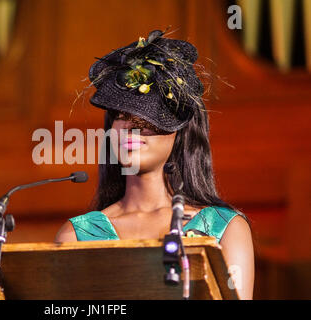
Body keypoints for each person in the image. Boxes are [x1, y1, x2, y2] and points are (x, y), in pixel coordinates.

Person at [54, 30, 254, 299]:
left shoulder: (224, 229)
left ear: (181, 131)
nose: (131, 128)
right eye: (121, 115)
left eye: (148, 117)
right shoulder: (77, 235)